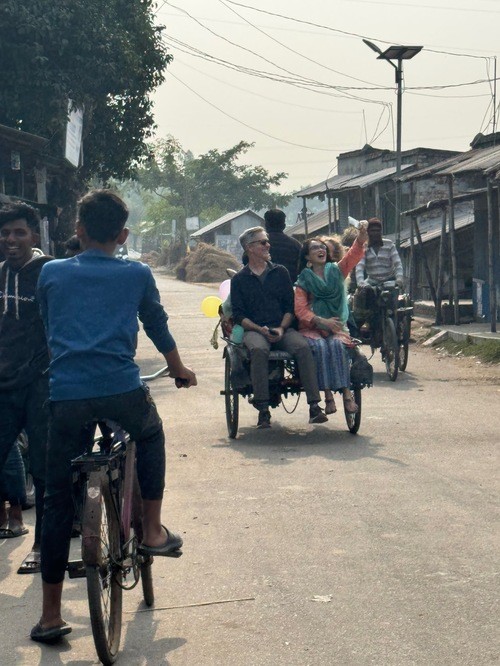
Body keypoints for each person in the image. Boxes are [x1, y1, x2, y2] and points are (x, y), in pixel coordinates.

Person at [32, 190, 197, 644]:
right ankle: (153, 530)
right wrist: (179, 369)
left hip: (67, 396)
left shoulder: (50, 272)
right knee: (150, 434)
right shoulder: (137, 273)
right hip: (121, 391)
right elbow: (157, 325)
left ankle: (50, 615)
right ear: (123, 235)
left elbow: (49, 326)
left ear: (78, 230)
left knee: (56, 501)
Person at [230, 226, 327, 429]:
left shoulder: (280, 272)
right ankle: (263, 408)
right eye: (263, 242)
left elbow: (289, 308)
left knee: (302, 347)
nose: (268, 245)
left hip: (282, 328)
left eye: (267, 242)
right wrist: (260, 330)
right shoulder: (239, 279)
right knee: (258, 349)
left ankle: (314, 405)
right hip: (254, 330)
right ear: (250, 248)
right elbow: (239, 316)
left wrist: (282, 329)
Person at [0, 202, 52, 574]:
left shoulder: (50, 273)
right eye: (4, 233)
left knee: (45, 470)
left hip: (41, 384)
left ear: (34, 235)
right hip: (4, 386)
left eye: (19, 232)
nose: (11, 239)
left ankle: (42, 546)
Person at [295, 227, 367, 414]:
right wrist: (321, 321)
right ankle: (328, 397)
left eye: (322, 247)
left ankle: (347, 395)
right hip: (312, 328)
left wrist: (360, 239)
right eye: (315, 248)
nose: (320, 250)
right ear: (307, 257)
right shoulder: (304, 280)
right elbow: (300, 309)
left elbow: (352, 256)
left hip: (337, 327)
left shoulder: (337, 271)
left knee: (336, 346)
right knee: (320, 347)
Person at [354, 217, 404, 331]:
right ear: (368, 232)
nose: (375, 233)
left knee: (393, 304)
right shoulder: (364, 247)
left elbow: (398, 264)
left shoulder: (389, 244)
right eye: (372, 231)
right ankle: (367, 320)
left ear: (381, 232)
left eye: (378, 230)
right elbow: (360, 266)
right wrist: (360, 282)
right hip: (372, 281)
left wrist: (399, 279)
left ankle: (396, 324)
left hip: (389, 279)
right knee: (362, 295)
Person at [263, 209, 301, 282]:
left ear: (266, 225)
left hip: (265, 285)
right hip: (290, 285)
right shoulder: (296, 245)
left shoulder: (259, 244)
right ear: (284, 225)